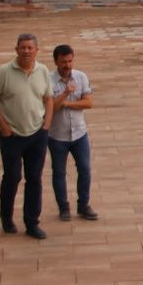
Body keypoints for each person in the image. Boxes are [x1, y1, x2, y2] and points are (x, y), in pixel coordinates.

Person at [0, 32, 54, 239]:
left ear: (36, 51)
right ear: (16, 50)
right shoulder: (4, 72)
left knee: (34, 179)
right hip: (12, 135)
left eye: (30, 48)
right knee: (12, 177)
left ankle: (32, 223)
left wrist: (46, 125)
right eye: (22, 47)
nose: (26, 51)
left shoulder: (42, 71)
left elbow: (48, 98)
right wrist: (4, 128)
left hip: (37, 134)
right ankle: (6, 218)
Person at [48, 43, 98, 222]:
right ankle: (63, 207)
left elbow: (88, 103)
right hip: (57, 135)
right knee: (59, 172)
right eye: (63, 62)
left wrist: (67, 104)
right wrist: (65, 94)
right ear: (56, 62)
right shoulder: (48, 80)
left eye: (70, 61)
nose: (67, 65)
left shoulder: (81, 77)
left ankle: (84, 205)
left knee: (85, 170)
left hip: (79, 133)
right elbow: (51, 107)